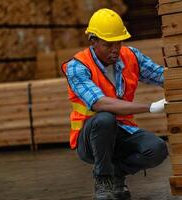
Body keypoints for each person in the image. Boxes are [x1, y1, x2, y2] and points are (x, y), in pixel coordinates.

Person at [61, 8, 168, 200]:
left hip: (123, 131)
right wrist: (149, 107)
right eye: (108, 44)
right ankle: (103, 180)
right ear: (93, 42)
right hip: (90, 139)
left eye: (118, 42)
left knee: (157, 149)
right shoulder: (78, 67)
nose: (115, 49)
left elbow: (161, 75)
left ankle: (116, 173)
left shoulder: (130, 57)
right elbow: (100, 103)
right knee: (104, 118)